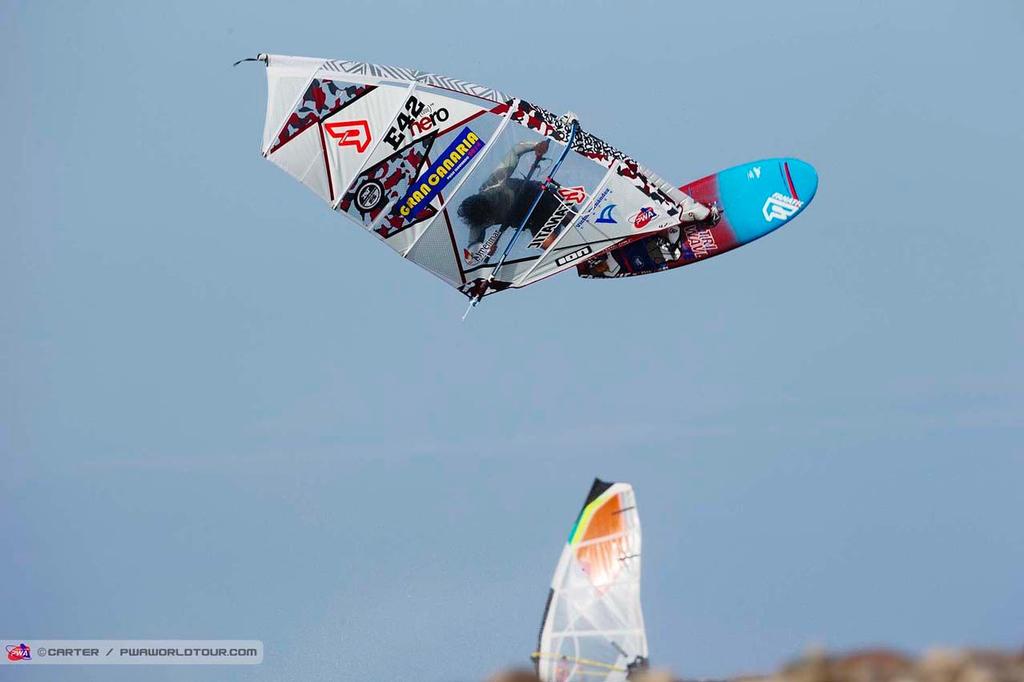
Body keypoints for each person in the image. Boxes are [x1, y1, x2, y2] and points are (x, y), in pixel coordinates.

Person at [457, 139, 556, 264]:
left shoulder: (492, 183)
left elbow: (515, 151)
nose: (495, 211)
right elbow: (472, 257)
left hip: (540, 195)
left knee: (567, 215)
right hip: (530, 219)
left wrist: (536, 146)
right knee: (548, 244)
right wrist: (484, 250)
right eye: (491, 215)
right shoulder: (477, 224)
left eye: (491, 205)